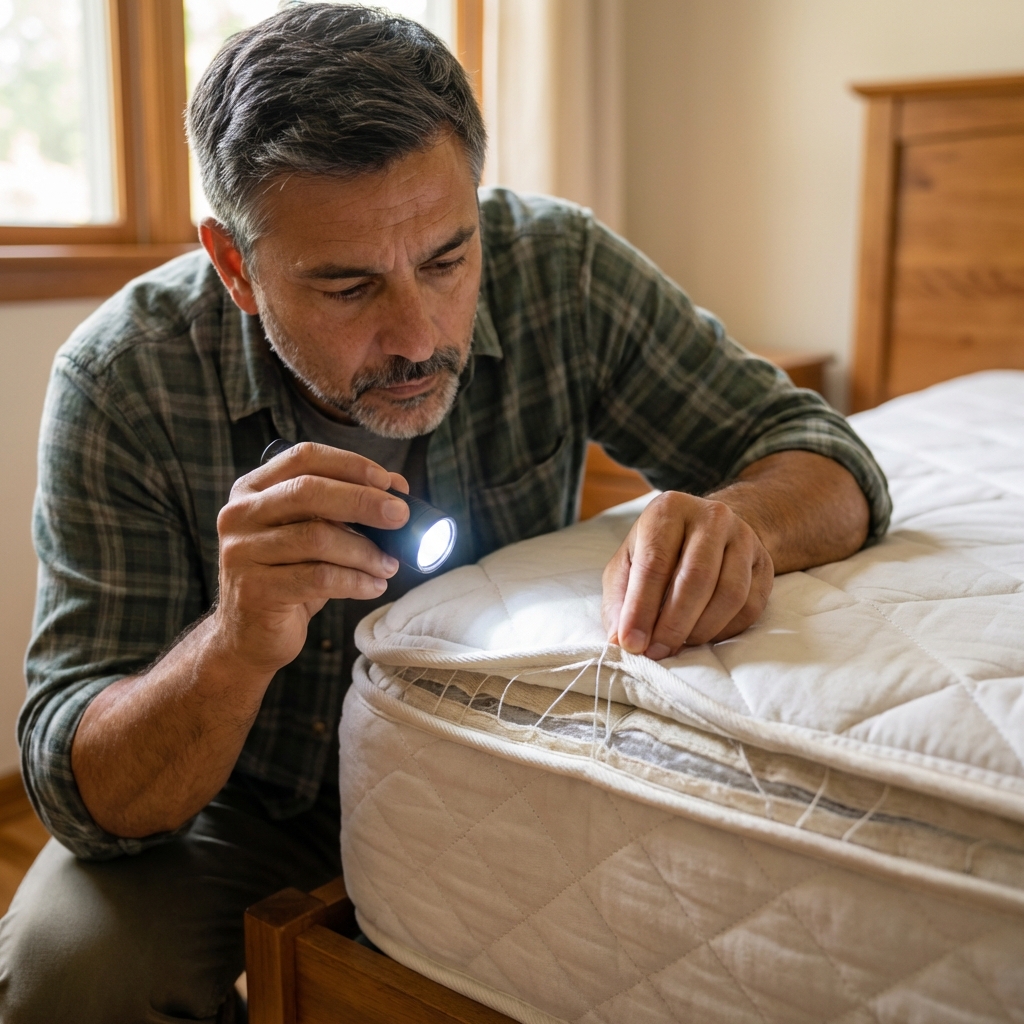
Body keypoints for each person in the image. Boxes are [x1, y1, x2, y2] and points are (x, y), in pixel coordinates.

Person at [0, 4, 890, 1021]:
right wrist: (237, 644)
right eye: (346, 285)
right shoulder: (124, 382)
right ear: (236, 265)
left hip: (511, 773)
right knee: (68, 976)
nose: (418, 335)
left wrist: (740, 524)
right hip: (244, 805)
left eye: (446, 259)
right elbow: (79, 792)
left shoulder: (558, 267)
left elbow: (825, 454)